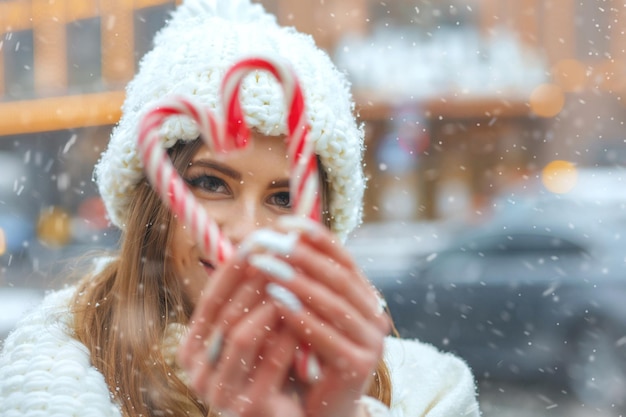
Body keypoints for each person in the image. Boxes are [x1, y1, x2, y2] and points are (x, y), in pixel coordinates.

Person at [0, 1, 481, 416]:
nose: (247, 231)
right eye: (211, 183)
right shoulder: (45, 380)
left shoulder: (428, 395)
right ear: (151, 200)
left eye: (283, 198)